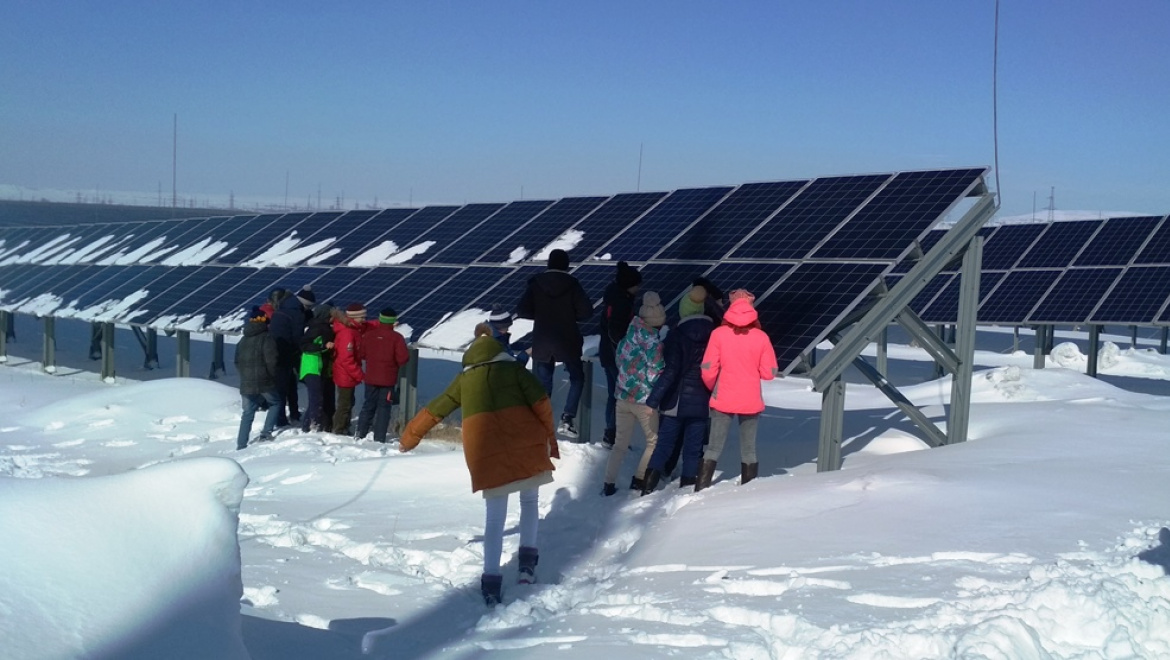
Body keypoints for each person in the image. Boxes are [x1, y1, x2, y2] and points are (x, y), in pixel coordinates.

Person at [400, 323, 559, 606]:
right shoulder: (514, 369)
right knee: (530, 501)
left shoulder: (464, 379)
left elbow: (437, 408)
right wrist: (550, 439)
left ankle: (491, 582)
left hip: (488, 454)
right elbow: (541, 402)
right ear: (497, 347)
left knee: (495, 519)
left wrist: (410, 437)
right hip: (528, 445)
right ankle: (526, 568)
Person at [696, 289, 779, 491]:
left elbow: (707, 368)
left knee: (714, 447)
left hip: (723, 397)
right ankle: (747, 491)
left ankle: (701, 487)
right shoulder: (761, 337)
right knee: (749, 449)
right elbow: (770, 372)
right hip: (750, 400)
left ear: (730, 308)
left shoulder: (718, 334)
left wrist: (713, 388)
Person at [642, 284, 715, 493]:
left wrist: (653, 400)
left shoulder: (676, 335)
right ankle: (687, 492)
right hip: (702, 402)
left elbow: (671, 372)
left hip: (675, 401)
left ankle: (646, 489)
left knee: (664, 446)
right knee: (693, 450)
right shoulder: (714, 335)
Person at [515, 248, 592, 439]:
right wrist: (568, 314)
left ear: (548, 264)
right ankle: (567, 418)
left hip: (542, 340)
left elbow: (523, 310)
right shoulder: (572, 284)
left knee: (544, 382)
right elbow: (586, 312)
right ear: (566, 265)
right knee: (577, 377)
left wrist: (541, 314)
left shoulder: (536, 284)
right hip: (567, 341)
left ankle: (539, 420)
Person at [602, 291, 665, 496]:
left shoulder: (628, 336)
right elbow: (655, 371)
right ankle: (639, 479)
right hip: (644, 401)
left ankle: (608, 483)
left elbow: (619, 360)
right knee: (652, 442)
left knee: (619, 444)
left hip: (622, 397)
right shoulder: (653, 343)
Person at [598, 261, 641, 449]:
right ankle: (613, 435)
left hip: (608, 353)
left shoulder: (614, 296)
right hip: (616, 356)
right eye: (637, 285)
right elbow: (616, 331)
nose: (639, 288)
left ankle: (611, 433)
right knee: (620, 396)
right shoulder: (621, 303)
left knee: (613, 395)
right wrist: (626, 351)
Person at [356, 307, 410, 443]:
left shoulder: (368, 335)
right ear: (393, 322)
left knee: (368, 405)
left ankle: (360, 434)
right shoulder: (397, 338)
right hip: (388, 380)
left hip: (370, 378)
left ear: (379, 319)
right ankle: (379, 438)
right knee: (384, 408)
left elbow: (361, 354)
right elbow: (403, 359)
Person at [234, 307, 280, 450]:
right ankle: (266, 433)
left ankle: (241, 444)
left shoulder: (243, 339)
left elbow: (236, 361)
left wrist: (245, 375)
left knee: (247, 412)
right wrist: (272, 376)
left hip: (246, 382)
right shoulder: (267, 338)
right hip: (264, 380)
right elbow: (272, 360)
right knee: (276, 403)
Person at [268, 288, 306, 426]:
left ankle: (280, 419)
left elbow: (277, 337)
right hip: (291, 354)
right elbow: (297, 335)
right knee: (291, 386)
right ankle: (294, 413)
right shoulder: (295, 310)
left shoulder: (281, 314)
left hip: (281, 356)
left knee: (281, 389)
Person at [299, 303, 335, 433]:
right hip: (311, 367)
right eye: (331, 314)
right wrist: (323, 347)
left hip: (316, 367)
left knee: (316, 397)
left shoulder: (320, 326)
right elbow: (304, 344)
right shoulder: (317, 327)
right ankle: (313, 426)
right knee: (316, 398)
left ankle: (307, 426)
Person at [331, 303, 367, 435]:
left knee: (349, 401)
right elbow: (346, 359)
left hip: (346, 374)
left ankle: (343, 426)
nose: (364, 320)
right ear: (354, 317)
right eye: (361, 317)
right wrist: (359, 374)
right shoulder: (348, 333)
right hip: (345, 374)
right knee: (345, 404)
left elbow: (369, 325)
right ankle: (339, 429)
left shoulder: (352, 329)